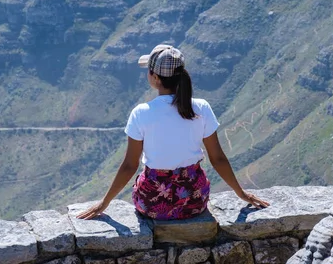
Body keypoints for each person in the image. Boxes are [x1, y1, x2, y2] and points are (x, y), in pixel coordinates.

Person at [77, 44, 269, 220]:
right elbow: (217, 158)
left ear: (155, 77)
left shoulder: (141, 113)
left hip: (152, 203)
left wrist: (104, 203)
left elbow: (129, 165)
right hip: (194, 201)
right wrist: (241, 193)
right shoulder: (201, 108)